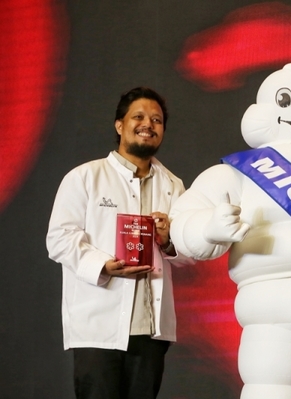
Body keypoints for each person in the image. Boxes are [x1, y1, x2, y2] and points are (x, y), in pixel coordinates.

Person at [46, 87, 193, 399]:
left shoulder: (174, 186)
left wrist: (168, 241)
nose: (148, 125)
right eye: (138, 117)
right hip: (98, 327)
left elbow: (189, 254)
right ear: (119, 125)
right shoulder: (85, 177)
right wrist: (104, 265)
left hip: (150, 331)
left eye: (157, 120)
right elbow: (59, 239)